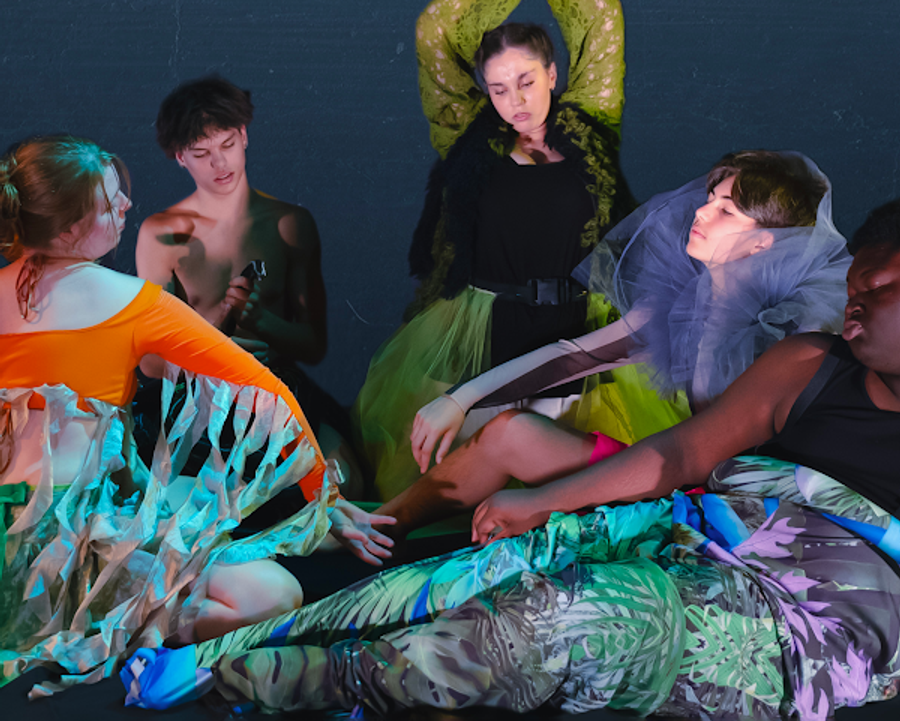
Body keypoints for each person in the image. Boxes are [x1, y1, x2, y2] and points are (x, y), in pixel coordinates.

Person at [124, 198, 900, 720]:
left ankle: (273, 678)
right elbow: (679, 451)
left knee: (563, 614)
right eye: (856, 285)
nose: (857, 300)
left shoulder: (778, 318)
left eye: (885, 285)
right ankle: (232, 642)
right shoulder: (808, 360)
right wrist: (539, 495)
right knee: (468, 572)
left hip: (803, 605)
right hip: (696, 523)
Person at [0, 135, 392, 692]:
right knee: (272, 594)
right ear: (66, 232)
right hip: (83, 539)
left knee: (184, 499)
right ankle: (112, 634)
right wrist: (320, 499)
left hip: (23, 539)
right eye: (110, 204)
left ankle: (85, 625)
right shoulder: (130, 302)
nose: (127, 206)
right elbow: (265, 392)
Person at [380, 150, 850, 536]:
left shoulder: (792, 334)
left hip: (742, 516)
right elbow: (574, 357)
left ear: (763, 244)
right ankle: (375, 526)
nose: (702, 211)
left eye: (726, 211)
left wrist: (545, 499)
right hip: (680, 479)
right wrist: (459, 399)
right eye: (710, 199)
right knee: (509, 432)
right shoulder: (683, 303)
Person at [353, 0, 633, 500]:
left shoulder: (592, 126)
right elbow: (434, 32)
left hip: (576, 326)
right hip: (484, 327)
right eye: (499, 88)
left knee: (566, 491)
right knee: (466, 488)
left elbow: (602, 13)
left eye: (527, 81)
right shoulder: (467, 136)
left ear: (554, 74)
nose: (515, 101)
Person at [135, 75, 362, 498]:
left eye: (227, 145)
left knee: (342, 487)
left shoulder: (289, 223)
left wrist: (261, 321)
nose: (219, 163)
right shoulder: (162, 234)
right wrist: (217, 338)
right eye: (201, 153)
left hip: (276, 390)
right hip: (197, 399)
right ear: (180, 157)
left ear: (243, 136)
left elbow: (312, 345)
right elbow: (149, 362)